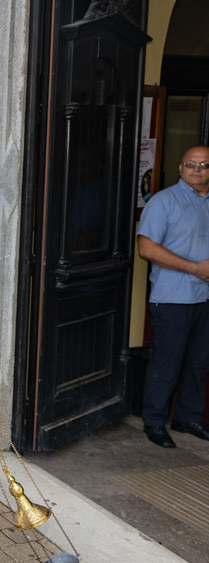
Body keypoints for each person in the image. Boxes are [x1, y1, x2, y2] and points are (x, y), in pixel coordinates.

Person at [137, 145, 209, 448]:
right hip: (172, 298)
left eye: (204, 165)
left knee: (199, 363)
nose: (197, 170)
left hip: (204, 298)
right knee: (167, 363)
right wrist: (195, 268)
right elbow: (146, 249)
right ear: (180, 168)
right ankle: (154, 421)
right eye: (191, 164)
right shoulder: (164, 201)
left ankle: (187, 418)